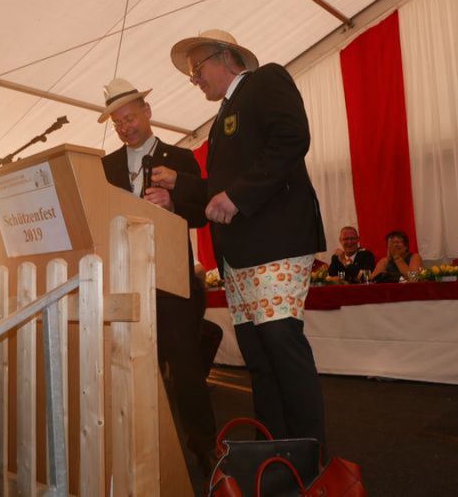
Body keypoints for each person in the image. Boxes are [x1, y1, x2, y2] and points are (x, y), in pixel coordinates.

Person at [153, 29, 327, 447]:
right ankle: (273, 453)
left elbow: (292, 138)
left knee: (282, 348)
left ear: (226, 56)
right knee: (260, 359)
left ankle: (309, 457)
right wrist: (180, 187)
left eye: (197, 68)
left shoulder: (266, 79)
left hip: (275, 244)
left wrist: (237, 196)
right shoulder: (219, 122)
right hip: (240, 256)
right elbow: (220, 190)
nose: (194, 80)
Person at [97, 77, 216, 475]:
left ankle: (205, 448)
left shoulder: (180, 157)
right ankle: (146, 450)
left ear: (147, 112)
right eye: (118, 122)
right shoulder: (105, 167)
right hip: (125, 279)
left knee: (186, 368)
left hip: (171, 279)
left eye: (130, 118)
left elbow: (202, 214)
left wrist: (174, 201)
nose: (125, 127)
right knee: (133, 368)